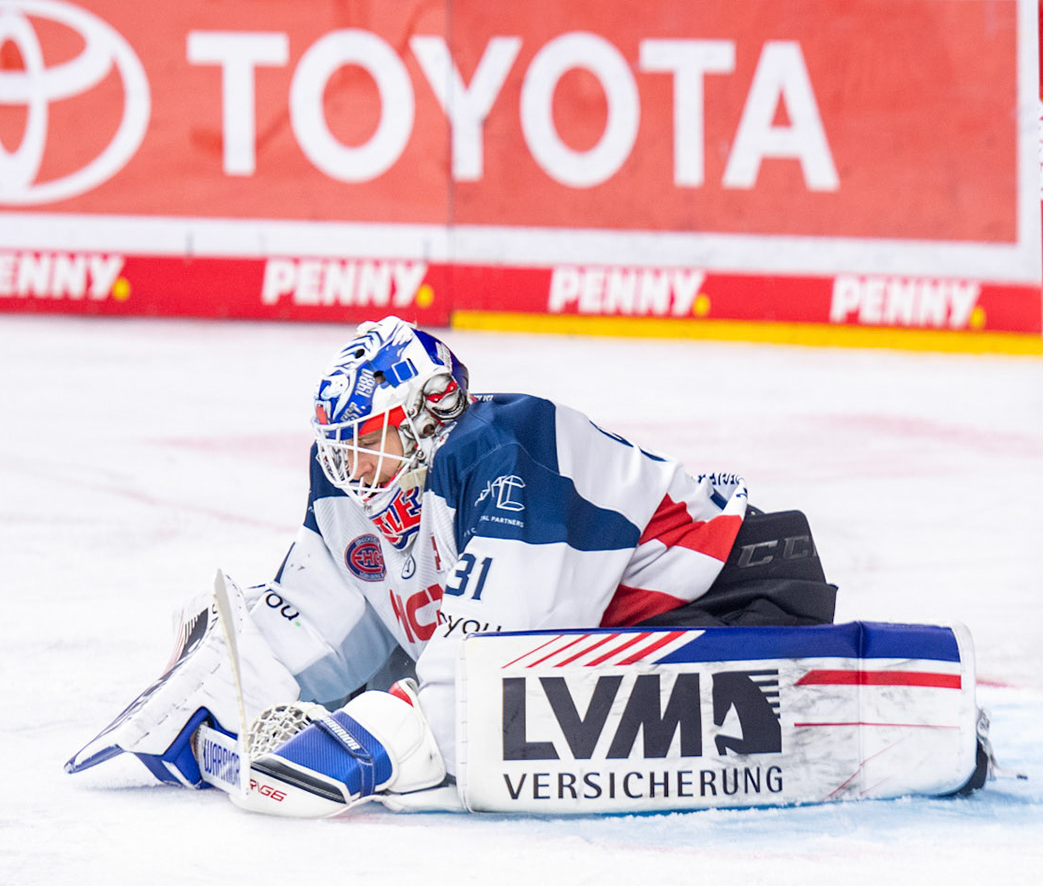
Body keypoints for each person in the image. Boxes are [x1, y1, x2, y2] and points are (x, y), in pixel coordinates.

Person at [67, 316, 958, 816]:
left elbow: (494, 670)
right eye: (340, 446)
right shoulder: (354, 486)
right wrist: (226, 685)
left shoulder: (505, 446)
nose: (351, 468)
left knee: (488, 722)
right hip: (614, 628)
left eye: (370, 441)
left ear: (430, 414)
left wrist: (374, 738)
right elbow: (326, 622)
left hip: (740, 595)